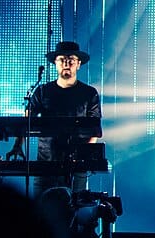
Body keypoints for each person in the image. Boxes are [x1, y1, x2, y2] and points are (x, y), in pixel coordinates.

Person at [7, 40, 102, 198]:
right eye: (62, 59)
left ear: (78, 64)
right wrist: (18, 145)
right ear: (55, 64)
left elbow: (95, 130)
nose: (66, 63)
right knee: (41, 208)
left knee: (74, 208)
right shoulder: (42, 92)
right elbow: (26, 121)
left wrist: (83, 156)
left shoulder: (89, 93)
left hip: (76, 167)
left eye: (71, 59)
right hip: (45, 165)